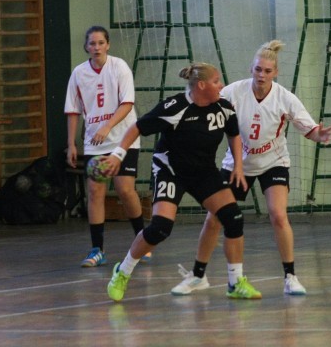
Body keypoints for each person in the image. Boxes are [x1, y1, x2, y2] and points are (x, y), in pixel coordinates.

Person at [170, 40, 331, 296]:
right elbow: (205, 104)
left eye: (267, 71)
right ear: (251, 69)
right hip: (238, 164)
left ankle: (290, 276)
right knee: (214, 218)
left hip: (273, 161)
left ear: (275, 72)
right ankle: (198, 275)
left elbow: (309, 128)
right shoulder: (234, 92)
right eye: (258, 69)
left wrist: (318, 135)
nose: (261, 75)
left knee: (278, 214)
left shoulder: (285, 98)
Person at [105, 62, 262, 302]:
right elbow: (137, 127)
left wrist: (238, 166)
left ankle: (235, 282)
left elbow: (234, 134)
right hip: (170, 171)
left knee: (233, 219)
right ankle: (122, 271)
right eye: (216, 81)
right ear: (201, 85)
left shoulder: (224, 107)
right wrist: (117, 155)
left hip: (203, 171)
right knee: (160, 228)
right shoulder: (175, 107)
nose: (221, 85)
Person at [64, 25, 151, 267]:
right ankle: (97, 249)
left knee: (125, 190)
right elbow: (73, 110)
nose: (96, 47)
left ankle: (142, 241)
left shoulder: (119, 67)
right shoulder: (79, 73)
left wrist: (107, 126)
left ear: (108, 45)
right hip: (95, 142)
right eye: (92, 43)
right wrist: (71, 143)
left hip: (124, 138)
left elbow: (127, 103)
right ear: (86, 47)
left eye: (101, 43)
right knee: (95, 191)